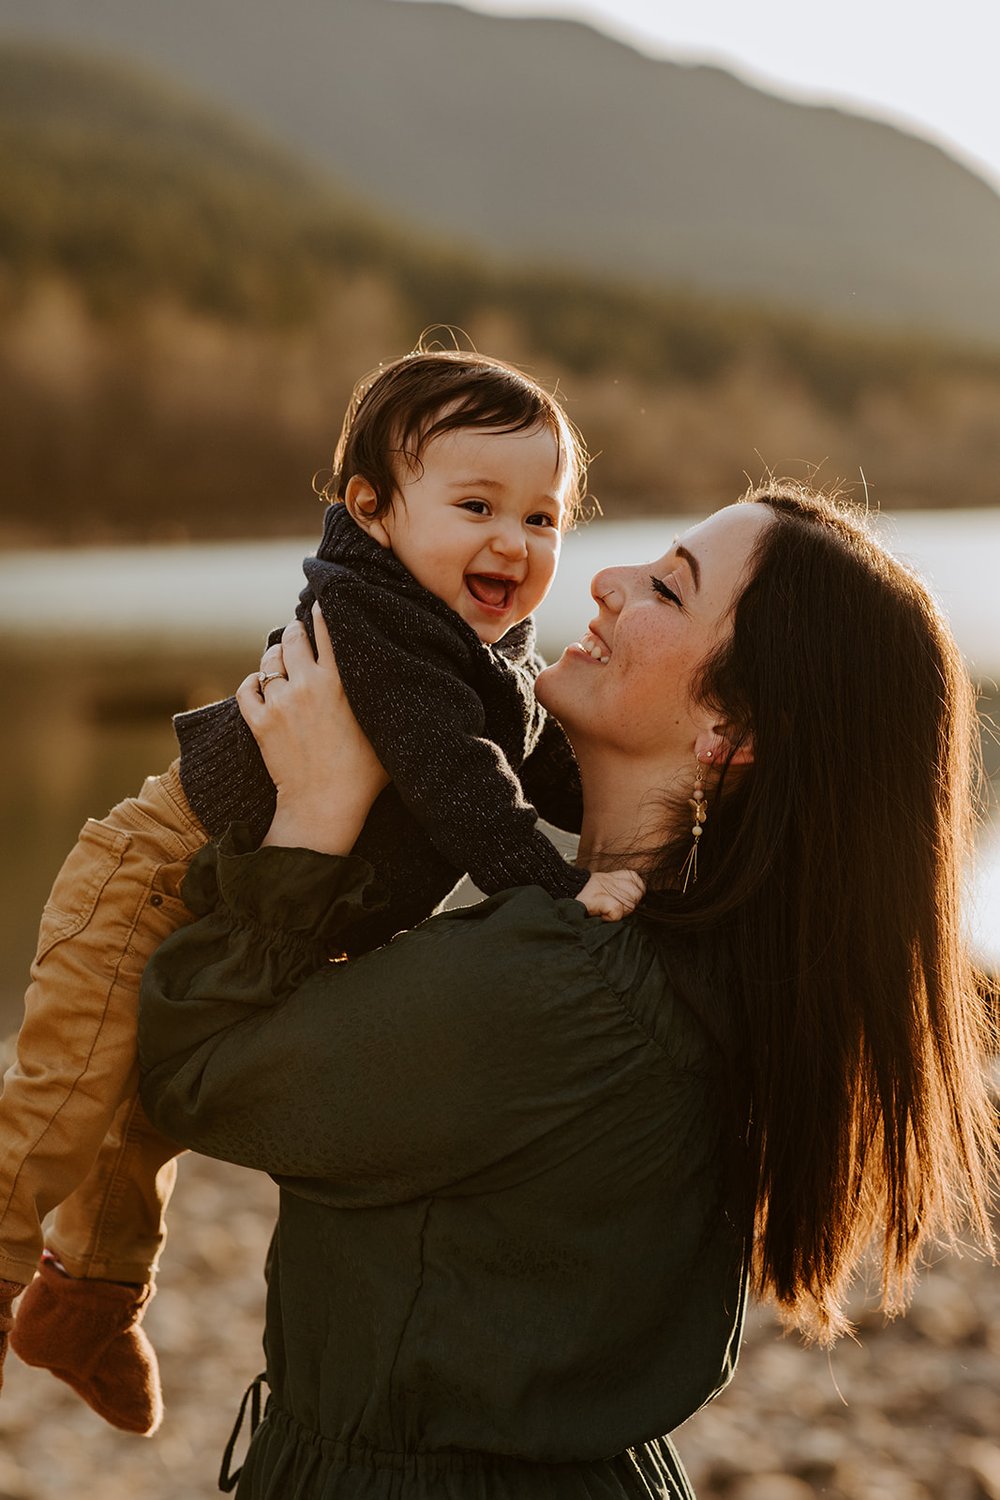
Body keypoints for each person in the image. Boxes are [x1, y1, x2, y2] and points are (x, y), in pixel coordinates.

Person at [136, 483, 996, 1498]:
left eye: (666, 592)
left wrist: (314, 818)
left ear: (732, 725)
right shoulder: (706, 958)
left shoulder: (567, 988)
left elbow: (195, 1072)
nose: (603, 579)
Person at [0, 348, 643, 1437]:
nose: (514, 542)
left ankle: (85, 1308)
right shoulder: (374, 625)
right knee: (66, 1107)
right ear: (374, 511)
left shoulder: (481, 645)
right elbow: (465, 791)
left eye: (543, 519)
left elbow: (539, 764)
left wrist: (647, 815)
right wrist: (560, 892)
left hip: (236, 895)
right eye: (477, 504)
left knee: (140, 1122)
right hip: (150, 876)